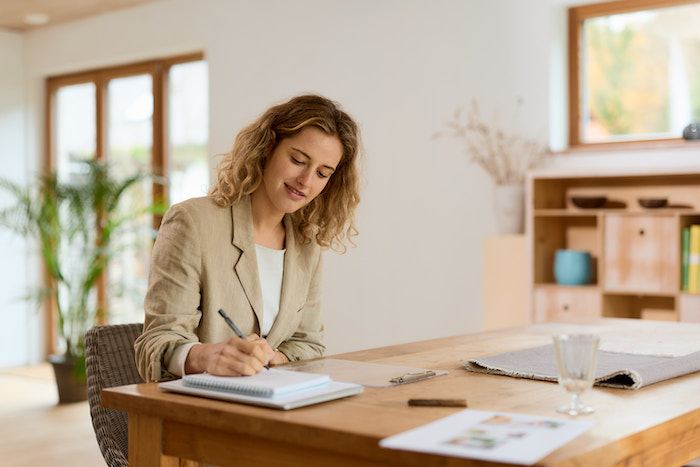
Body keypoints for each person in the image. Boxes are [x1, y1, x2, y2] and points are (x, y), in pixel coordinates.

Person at [134, 94, 361, 382]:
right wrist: (208, 356)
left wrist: (275, 357)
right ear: (268, 146)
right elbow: (155, 344)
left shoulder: (307, 244)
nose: (306, 181)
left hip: (276, 404)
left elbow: (309, 344)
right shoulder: (192, 222)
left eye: (322, 173)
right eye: (298, 160)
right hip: (203, 410)